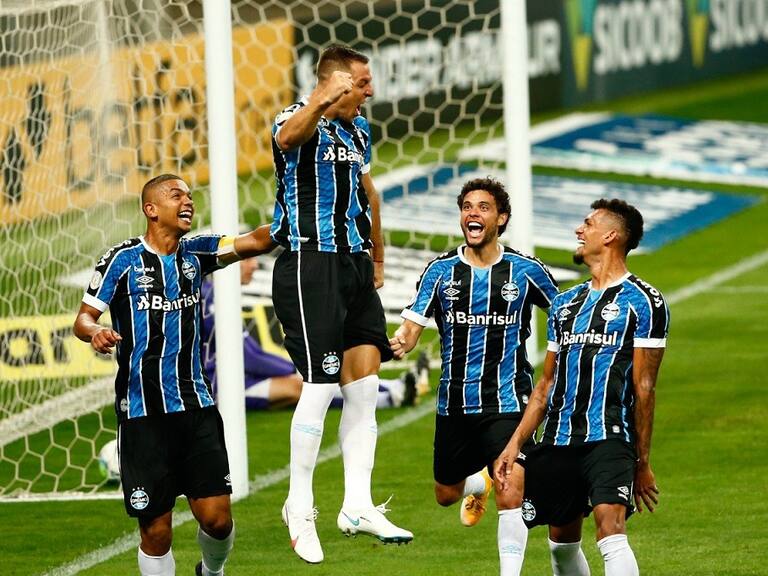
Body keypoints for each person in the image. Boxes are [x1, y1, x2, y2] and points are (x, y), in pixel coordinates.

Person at [73, 174, 273, 576]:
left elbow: (255, 240)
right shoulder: (121, 260)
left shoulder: (198, 253)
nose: (188, 201)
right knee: (157, 531)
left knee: (218, 521)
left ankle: (211, 572)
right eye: (176, 194)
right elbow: (83, 319)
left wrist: (295, 204)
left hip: (195, 407)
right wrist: (96, 333)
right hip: (142, 415)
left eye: (189, 195)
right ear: (151, 209)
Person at [269, 43, 412, 563]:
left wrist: (376, 259)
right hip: (311, 263)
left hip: (352, 265)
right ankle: (299, 504)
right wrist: (322, 99)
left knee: (366, 383)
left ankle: (356, 503)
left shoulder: (357, 131)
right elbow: (288, 139)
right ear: (336, 83)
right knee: (322, 383)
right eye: (362, 82)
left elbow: (367, 193)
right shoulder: (294, 118)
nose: (371, 91)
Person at [389, 176, 559, 576]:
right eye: (467, 206)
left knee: (510, 486)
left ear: (501, 218)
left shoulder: (525, 271)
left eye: (482, 207)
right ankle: (475, 484)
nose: (472, 214)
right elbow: (411, 328)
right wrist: (400, 342)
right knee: (445, 494)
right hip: (455, 404)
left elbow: (565, 312)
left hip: (508, 401)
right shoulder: (440, 272)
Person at [495, 199, 670, 576]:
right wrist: (514, 445)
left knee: (611, 530)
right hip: (559, 438)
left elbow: (644, 387)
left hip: (610, 436)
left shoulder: (644, 302)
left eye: (587, 224)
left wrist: (642, 462)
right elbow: (544, 385)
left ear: (609, 236)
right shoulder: (565, 304)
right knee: (560, 546)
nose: (579, 229)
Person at [200, 258, 418, 410]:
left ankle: (395, 386)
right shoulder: (211, 299)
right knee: (300, 385)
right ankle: (390, 397)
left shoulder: (217, 295)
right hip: (222, 386)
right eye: (248, 260)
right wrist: (291, 368)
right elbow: (247, 357)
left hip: (241, 376)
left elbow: (249, 353)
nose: (255, 265)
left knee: (310, 378)